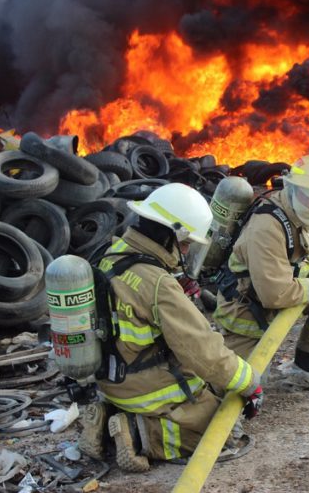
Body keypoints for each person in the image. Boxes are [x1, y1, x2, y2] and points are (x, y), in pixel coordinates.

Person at [77, 182, 263, 472]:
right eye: (187, 242)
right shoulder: (159, 284)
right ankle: (139, 435)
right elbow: (202, 350)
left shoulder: (115, 253)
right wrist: (249, 384)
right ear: (171, 234)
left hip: (110, 379)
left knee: (213, 390)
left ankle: (108, 415)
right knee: (223, 428)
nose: (187, 250)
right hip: (147, 388)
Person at [213, 153, 309, 372]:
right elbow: (275, 294)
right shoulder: (265, 227)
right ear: (291, 188)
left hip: (283, 294)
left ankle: (306, 362)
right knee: (245, 385)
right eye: (308, 196)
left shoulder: (294, 209)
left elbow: (301, 234)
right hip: (248, 318)